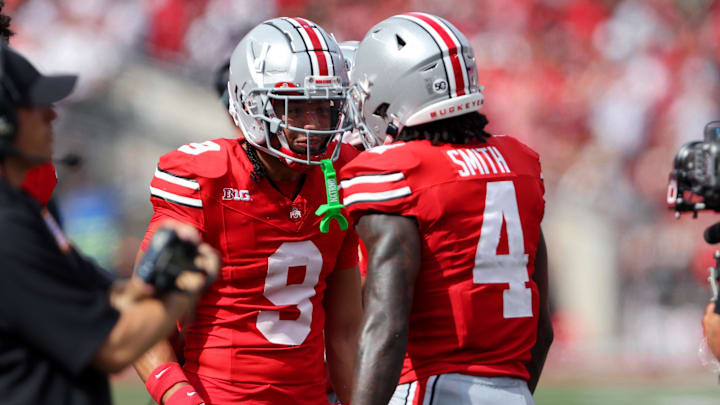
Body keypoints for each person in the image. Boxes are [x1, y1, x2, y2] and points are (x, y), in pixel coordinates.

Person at [132, 17, 362, 405]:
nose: (315, 125)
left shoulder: (342, 175)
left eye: (325, 108)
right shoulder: (205, 178)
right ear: (252, 104)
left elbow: (345, 334)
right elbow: (144, 312)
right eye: (298, 109)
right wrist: (178, 395)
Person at [339, 13, 554, 405]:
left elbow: (386, 325)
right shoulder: (517, 164)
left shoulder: (396, 171)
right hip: (515, 390)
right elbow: (543, 330)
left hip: (430, 388)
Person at [0, 42, 220, 405]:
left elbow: (104, 294)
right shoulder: (7, 228)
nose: (52, 116)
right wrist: (186, 288)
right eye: (35, 108)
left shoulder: (22, 209)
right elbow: (115, 346)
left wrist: (159, 272)